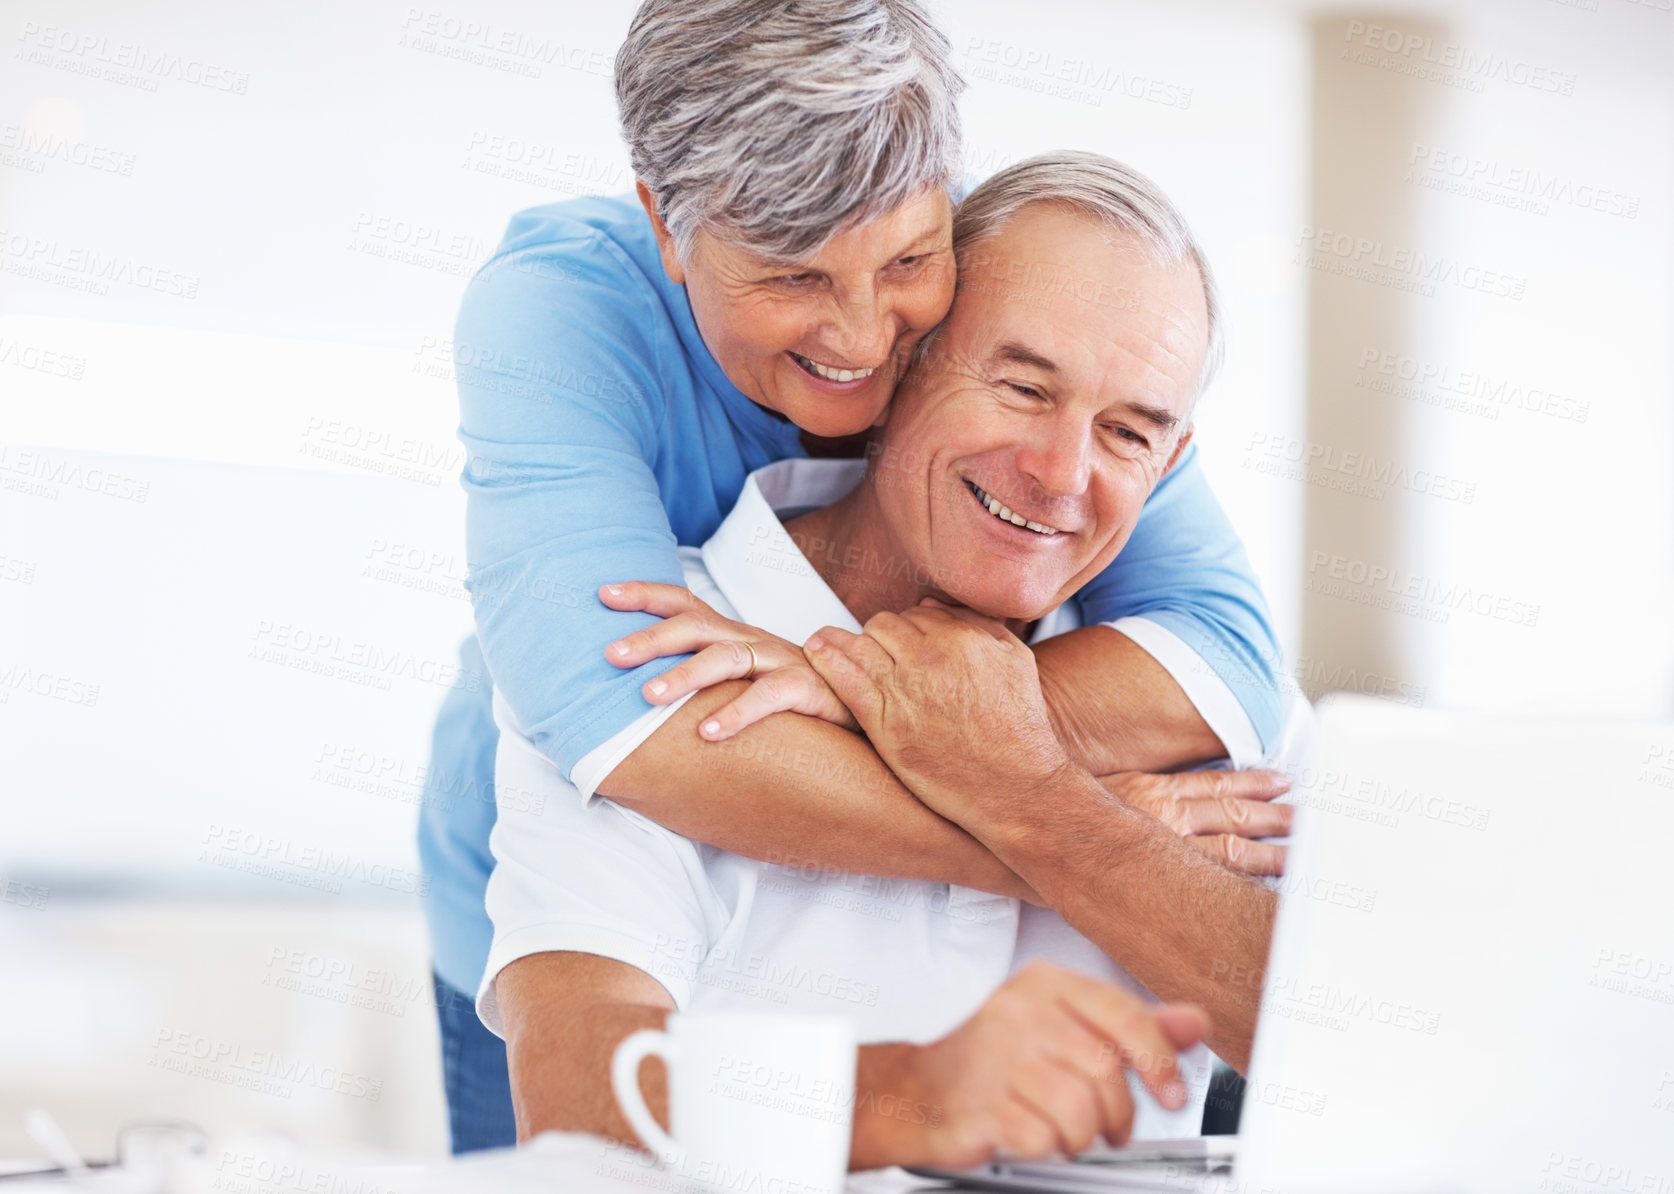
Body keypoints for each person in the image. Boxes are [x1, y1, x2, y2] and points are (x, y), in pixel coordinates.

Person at [418, 0, 1284, 1153]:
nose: (869, 335)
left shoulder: (1078, 379)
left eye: (909, 263)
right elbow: (629, 733)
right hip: (529, 878)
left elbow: (1229, 657)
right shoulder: (566, 319)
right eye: (793, 275)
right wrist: (1063, 828)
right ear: (670, 235)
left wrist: (882, 700)